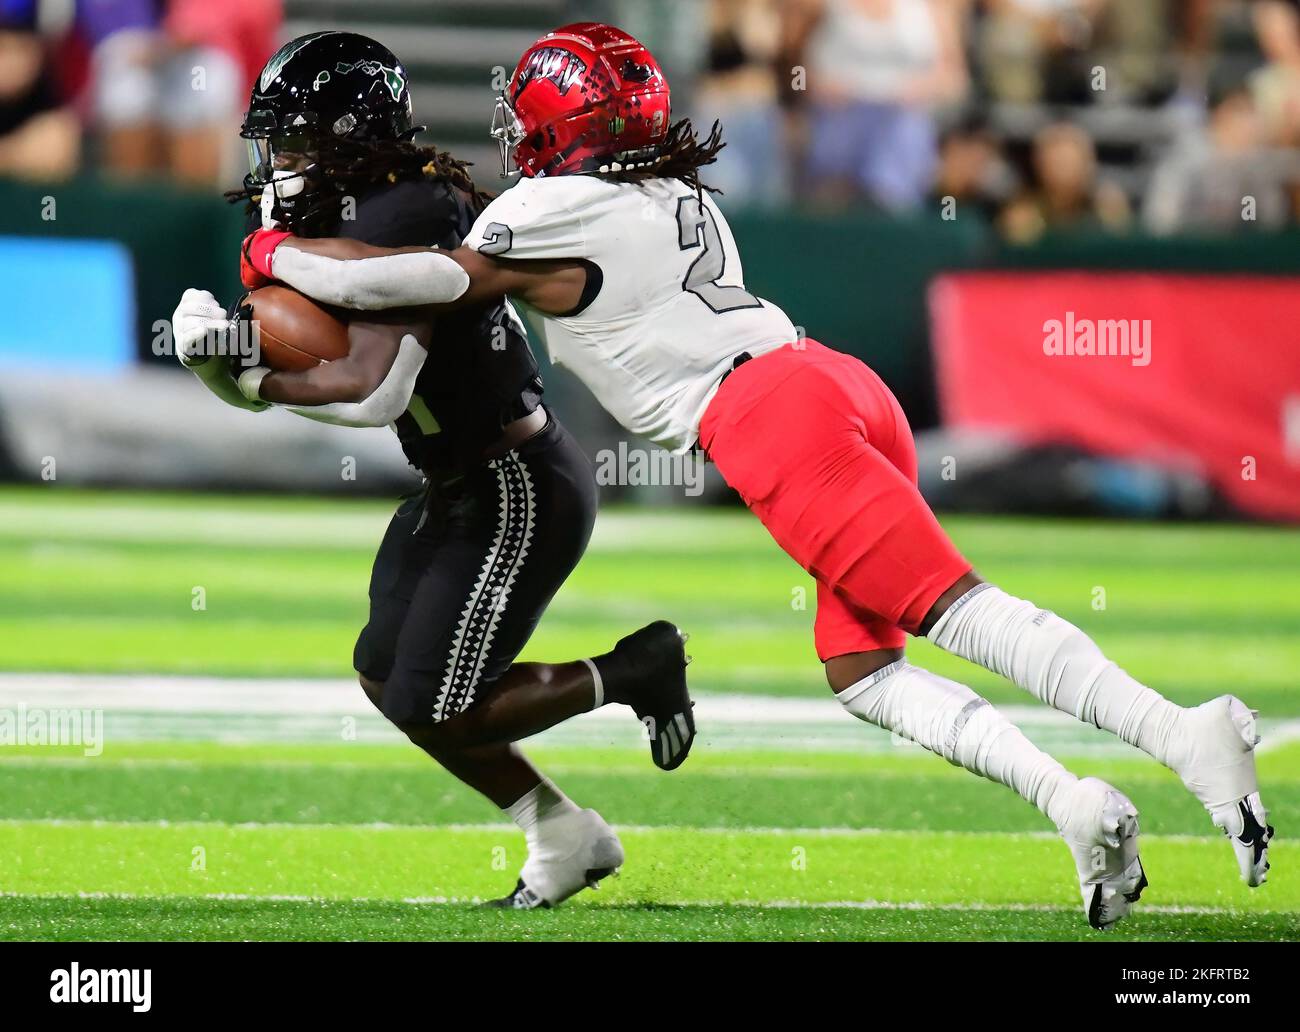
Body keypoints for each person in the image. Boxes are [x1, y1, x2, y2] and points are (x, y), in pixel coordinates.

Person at [233, 22, 1273, 929]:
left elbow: (416, 278)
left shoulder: (548, 209)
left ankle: (1181, 732)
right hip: (832, 381)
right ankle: (1075, 806)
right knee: (863, 675)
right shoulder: (665, 183)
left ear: (561, 118)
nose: (514, 130)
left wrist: (277, 255)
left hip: (771, 418)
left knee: (957, 610)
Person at [169, 31, 695, 909]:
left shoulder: (411, 208)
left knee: (437, 700)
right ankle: (561, 833)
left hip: (515, 479)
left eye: (296, 143)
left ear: (348, 139)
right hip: (457, 481)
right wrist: (219, 368)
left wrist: (252, 368)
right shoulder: (334, 210)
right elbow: (268, 397)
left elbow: (372, 392)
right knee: (385, 676)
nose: (279, 163)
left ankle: (635, 670)